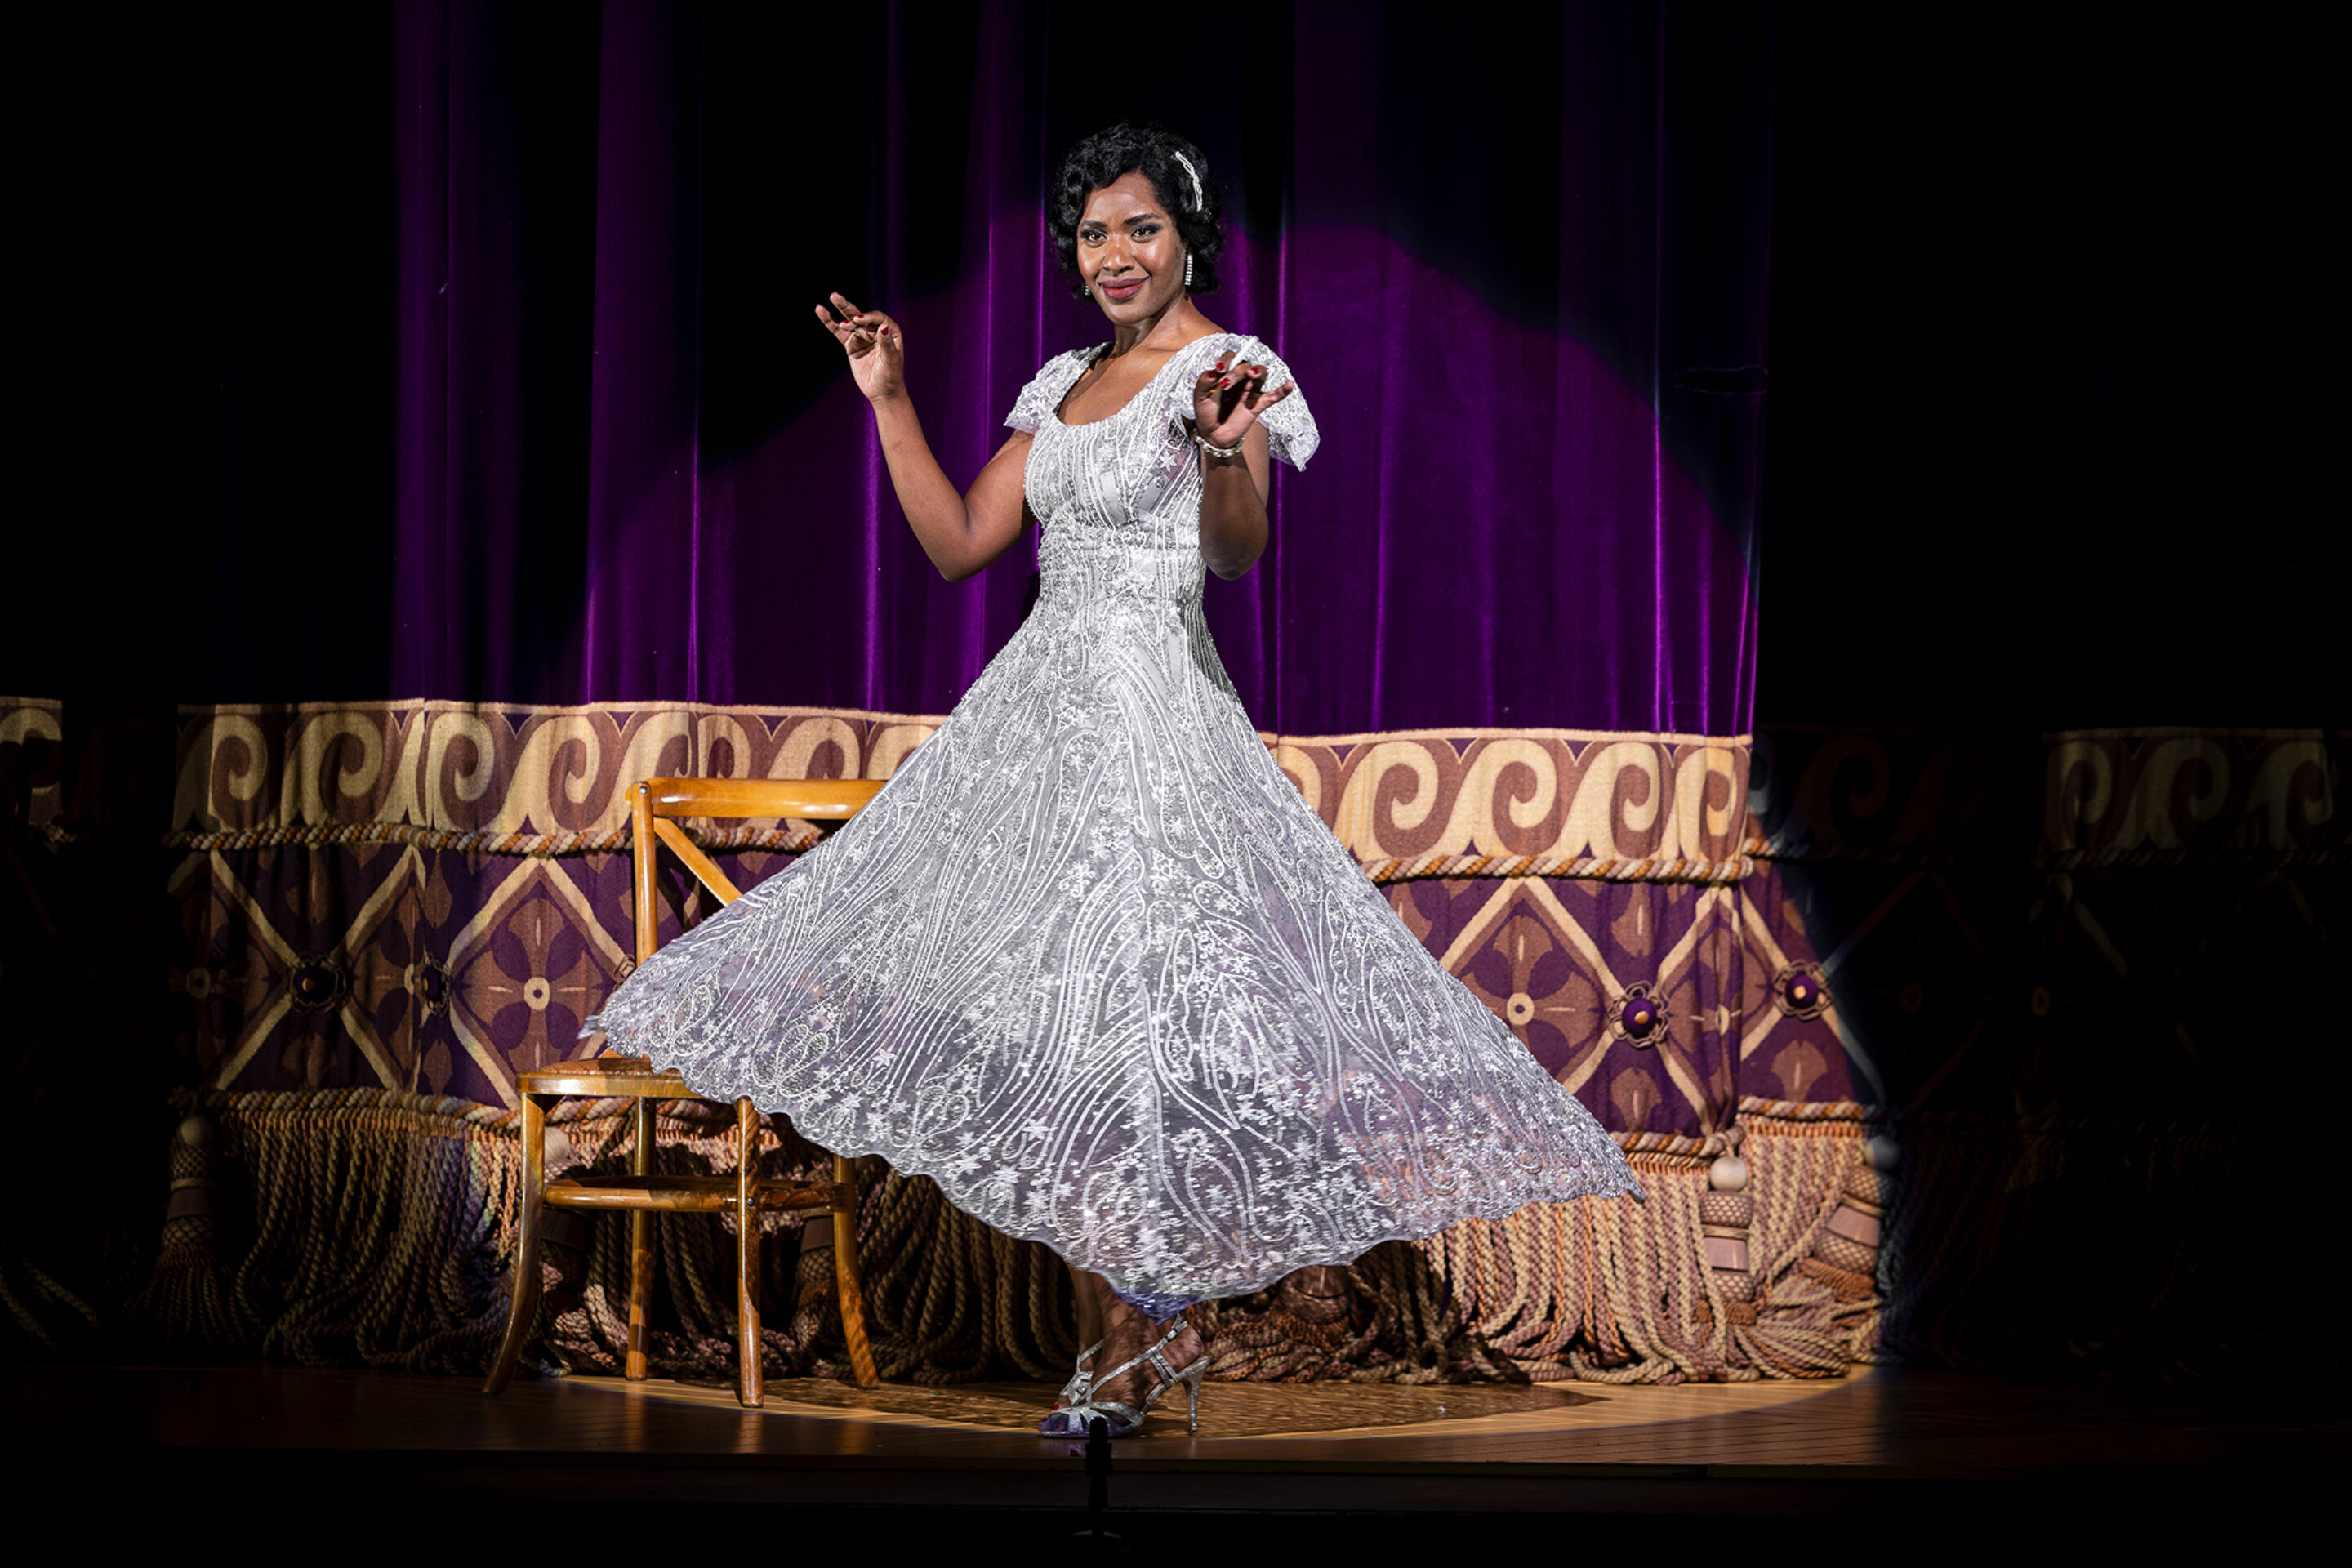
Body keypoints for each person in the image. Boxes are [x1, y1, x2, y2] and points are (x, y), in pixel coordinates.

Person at [586, 122, 1639, 1439]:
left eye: (1140, 228)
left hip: (1152, 718)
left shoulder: (1228, 369)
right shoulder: (1066, 378)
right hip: (1036, 727)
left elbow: (1242, 553)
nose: (1114, 254)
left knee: (1136, 1042)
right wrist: (890, 397)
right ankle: (1121, 1358)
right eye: (1091, 234)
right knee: (1061, 1049)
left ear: (1189, 235)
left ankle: (1138, 1357)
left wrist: (1211, 446)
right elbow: (966, 541)